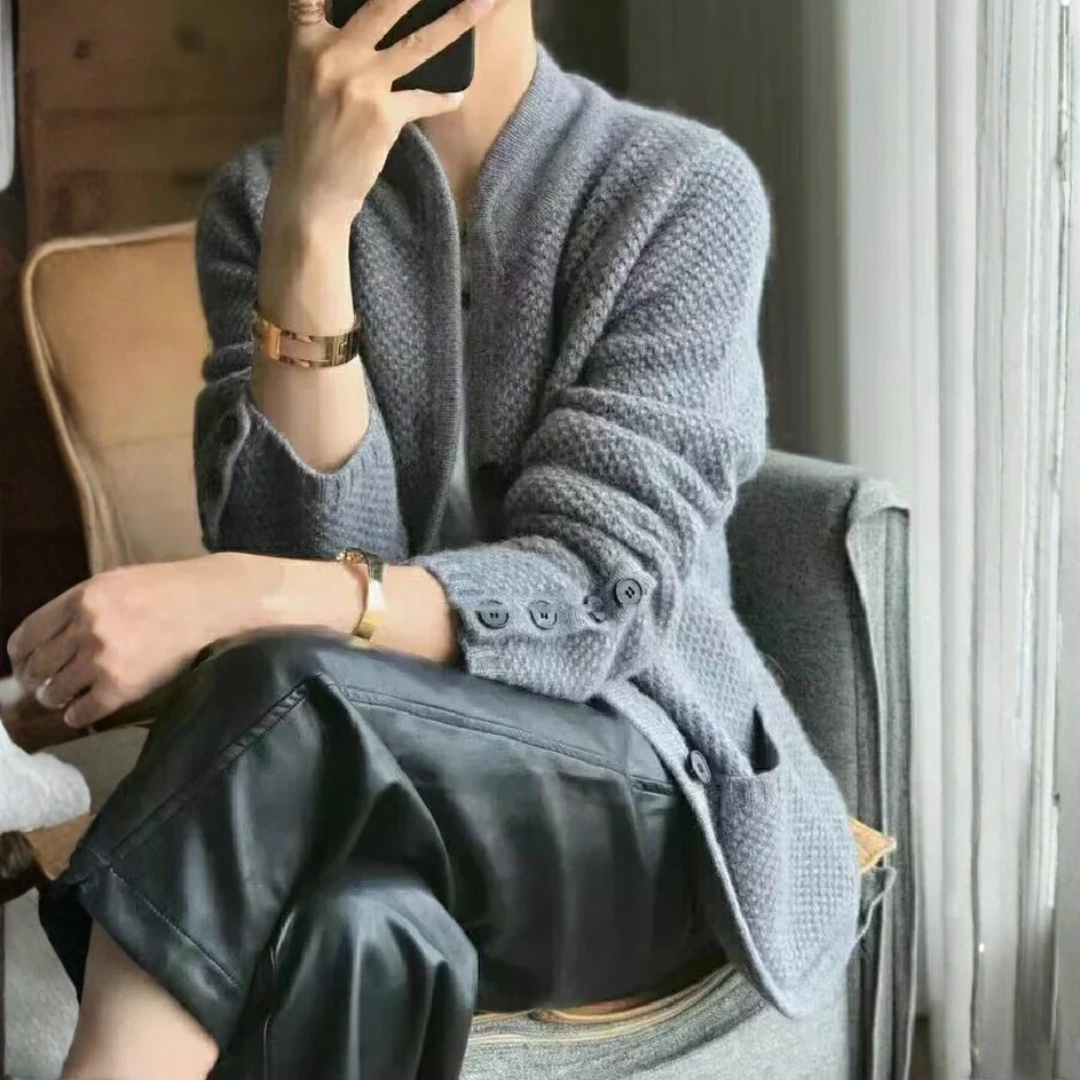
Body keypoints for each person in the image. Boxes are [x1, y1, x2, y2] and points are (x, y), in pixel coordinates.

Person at [7, 0, 864, 1076]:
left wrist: (227, 593)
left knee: (288, 691)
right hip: (359, 785)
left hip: (643, 806)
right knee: (355, 933)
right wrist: (313, 226)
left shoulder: (679, 188)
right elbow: (308, 571)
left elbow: (593, 594)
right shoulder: (262, 201)